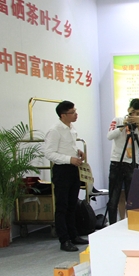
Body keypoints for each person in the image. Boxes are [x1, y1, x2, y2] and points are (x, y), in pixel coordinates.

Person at [43, 101, 89, 252]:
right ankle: (64, 239)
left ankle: (73, 235)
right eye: (72, 112)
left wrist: (77, 152)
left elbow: (67, 147)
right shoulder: (55, 130)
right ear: (63, 115)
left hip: (73, 169)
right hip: (62, 170)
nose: (76, 114)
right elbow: (49, 153)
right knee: (62, 206)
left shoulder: (71, 128)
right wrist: (69, 159)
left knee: (72, 204)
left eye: (75, 111)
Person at [106, 99, 139, 224]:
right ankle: (112, 224)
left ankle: (131, 223)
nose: (135, 115)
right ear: (129, 110)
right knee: (114, 197)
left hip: (131, 164)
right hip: (117, 162)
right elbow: (109, 136)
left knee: (132, 198)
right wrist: (122, 126)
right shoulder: (118, 120)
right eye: (133, 112)